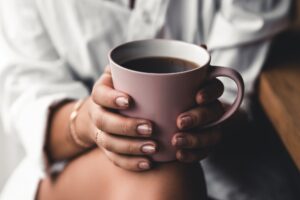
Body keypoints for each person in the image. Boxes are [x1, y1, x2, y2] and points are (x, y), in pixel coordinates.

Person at [0, 0, 291, 199]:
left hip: (226, 163)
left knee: (167, 172)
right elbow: (30, 110)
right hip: (70, 170)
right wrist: (91, 120)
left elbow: (236, 95)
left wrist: (211, 119)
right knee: (165, 176)